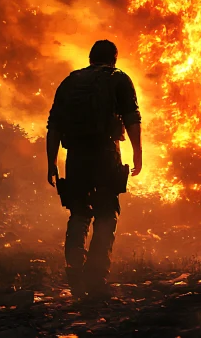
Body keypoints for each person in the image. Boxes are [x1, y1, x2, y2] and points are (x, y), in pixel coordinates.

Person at [46, 40, 142, 298]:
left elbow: (54, 125)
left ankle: (75, 273)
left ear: (90, 58)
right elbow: (132, 118)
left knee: (79, 214)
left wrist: (51, 162)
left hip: (76, 157)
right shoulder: (118, 79)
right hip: (105, 154)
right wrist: (138, 152)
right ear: (114, 59)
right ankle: (96, 278)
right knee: (106, 214)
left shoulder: (70, 82)